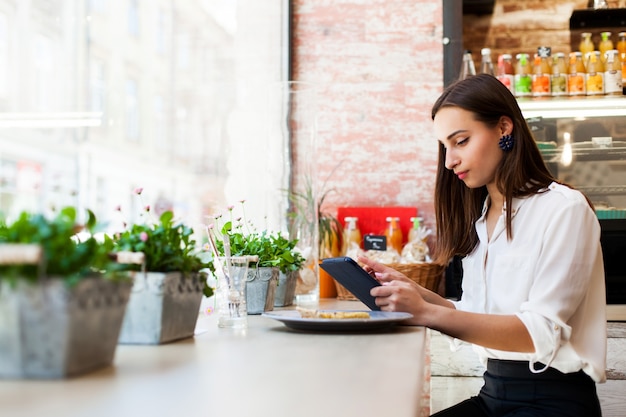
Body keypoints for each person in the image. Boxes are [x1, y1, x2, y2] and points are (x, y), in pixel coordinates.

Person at [360, 74, 606, 417]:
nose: (449, 161)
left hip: (553, 403)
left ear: (504, 128)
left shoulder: (564, 208)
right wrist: (411, 290)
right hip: (492, 395)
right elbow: (479, 316)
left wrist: (426, 313)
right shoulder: (483, 217)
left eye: (460, 141)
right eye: (445, 146)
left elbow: (540, 334)